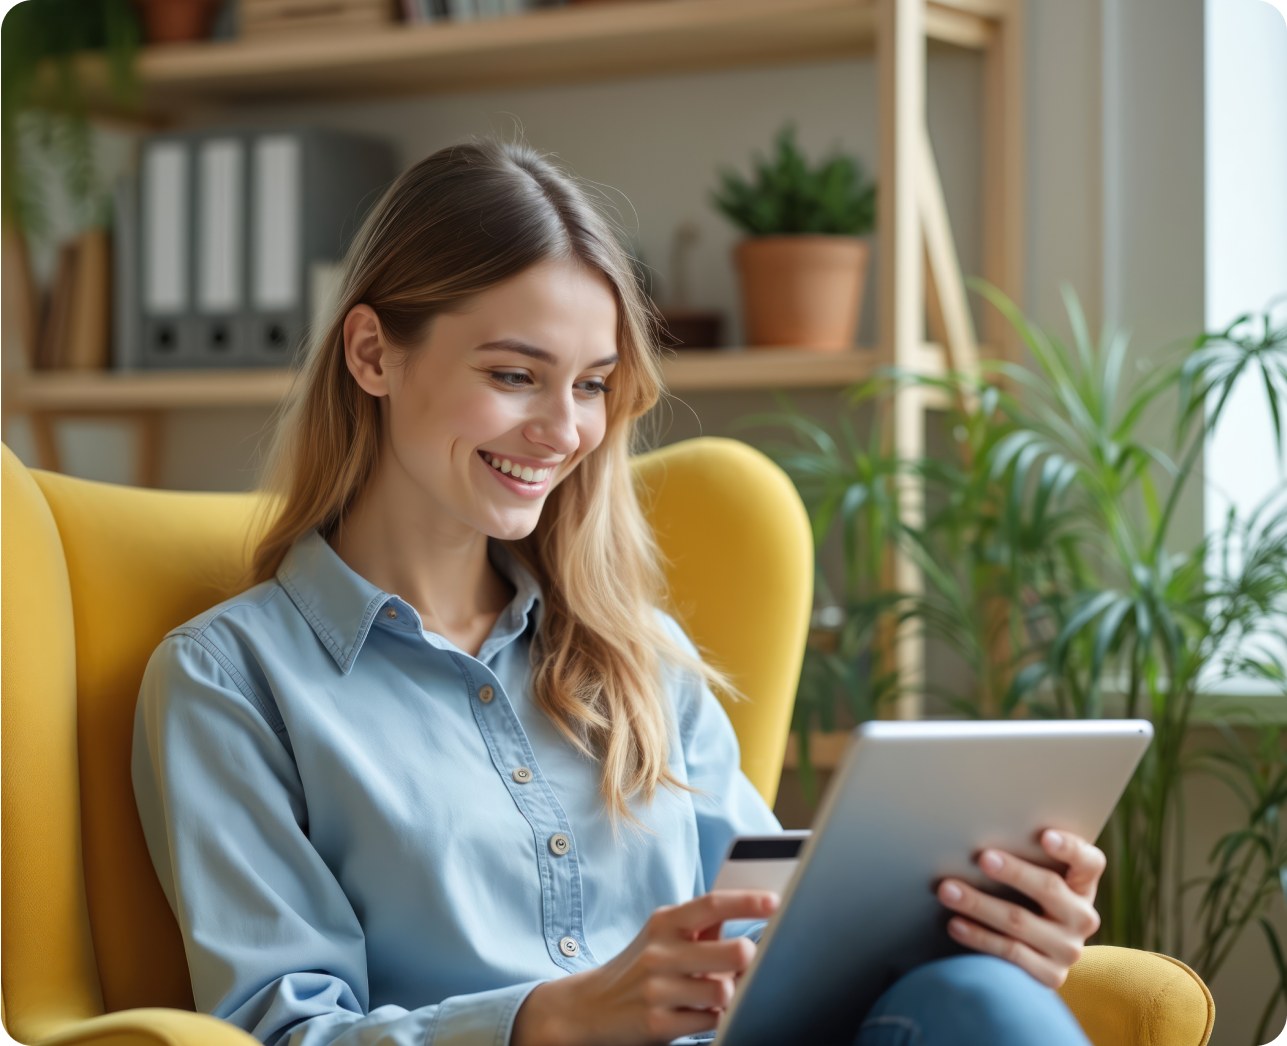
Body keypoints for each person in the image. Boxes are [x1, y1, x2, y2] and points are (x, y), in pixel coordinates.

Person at [132, 140, 1102, 1046]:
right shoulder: (232, 680)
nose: (563, 430)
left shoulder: (640, 655)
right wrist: (552, 1017)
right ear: (372, 354)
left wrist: (986, 924)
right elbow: (282, 1029)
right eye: (515, 374)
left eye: (592, 385)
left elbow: (779, 943)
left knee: (982, 996)